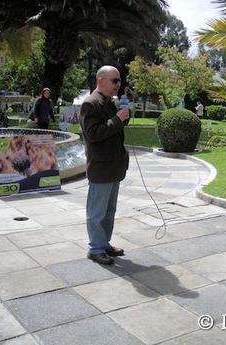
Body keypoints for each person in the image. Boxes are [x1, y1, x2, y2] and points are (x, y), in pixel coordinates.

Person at [79, 65, 130, 265]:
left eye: (119, 81)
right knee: (96, 211)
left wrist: (124, 116)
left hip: (114, 166)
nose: (119, 85)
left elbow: (115, 127)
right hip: (101, 167)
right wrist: (118, 118)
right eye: (114, 81)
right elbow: (94, 134)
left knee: (109, 210)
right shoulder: (90, 104)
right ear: (100, 80)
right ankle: (95, 248)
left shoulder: (109, 102)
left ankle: (104, 243)